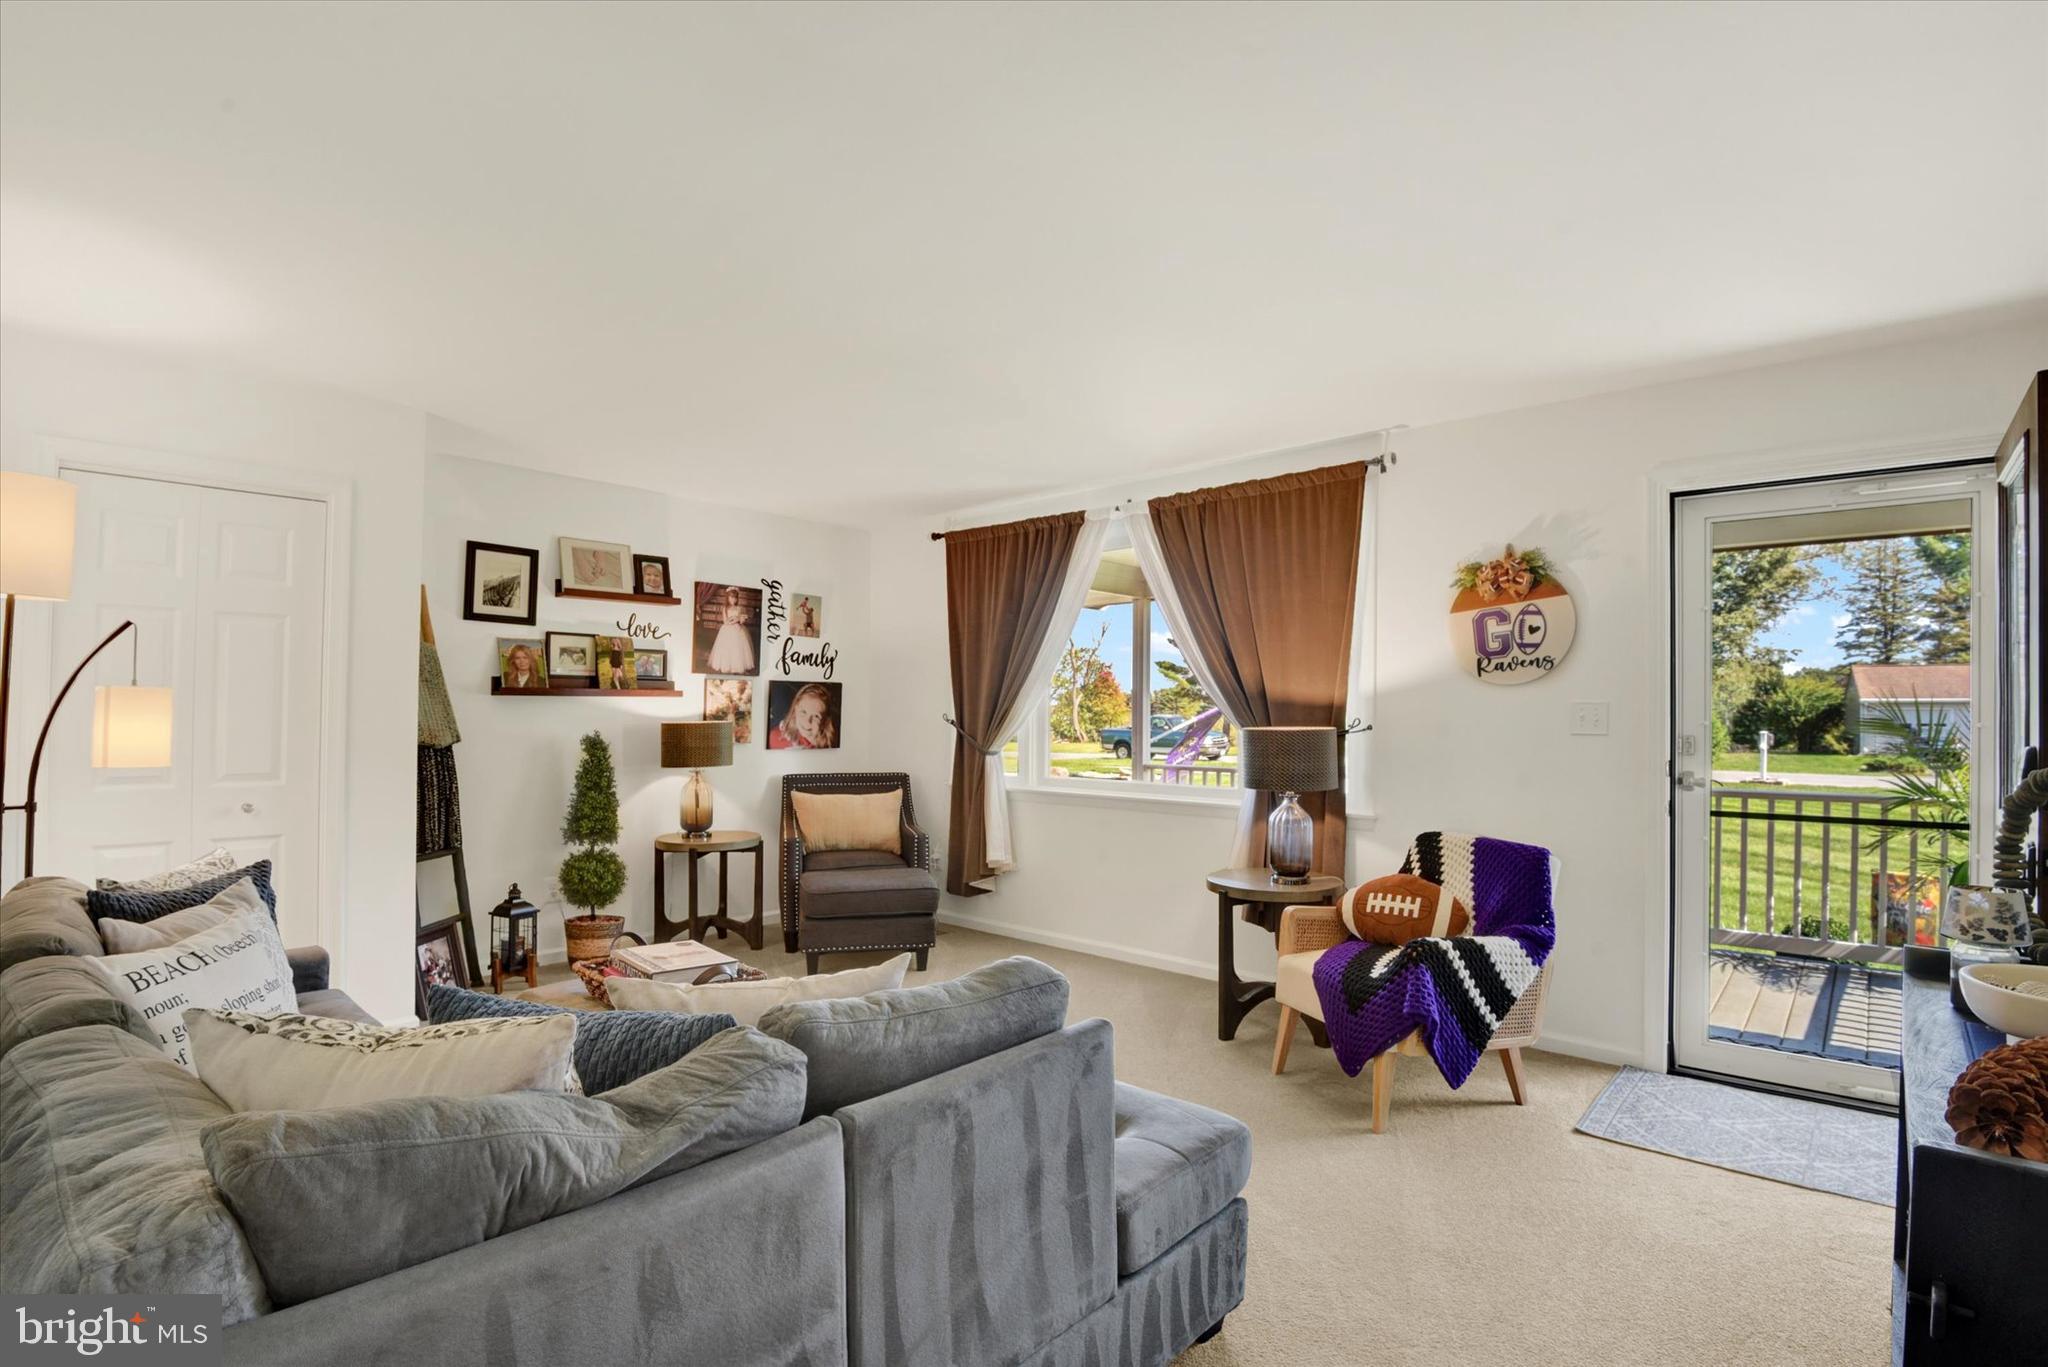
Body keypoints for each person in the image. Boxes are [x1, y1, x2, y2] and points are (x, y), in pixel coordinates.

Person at [770, 682, 837, 750]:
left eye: (816, 716)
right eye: (803, 712)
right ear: (795, 709)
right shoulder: (776, 737)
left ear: (825, 721)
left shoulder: (830, 746)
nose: (807, 721)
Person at [705, 586, 756, 673]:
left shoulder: (739, 608)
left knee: (737, 648)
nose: (733, 600)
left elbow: (741, 621)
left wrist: (741, 619)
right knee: (727, 647)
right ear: (727, 598)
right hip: (727, 630)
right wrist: (735, 619)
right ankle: (726, 665)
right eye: (731, 597)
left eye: (735, 598)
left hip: (737, 629)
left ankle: (736, 666)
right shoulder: (725, 608)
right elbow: (725, 621)